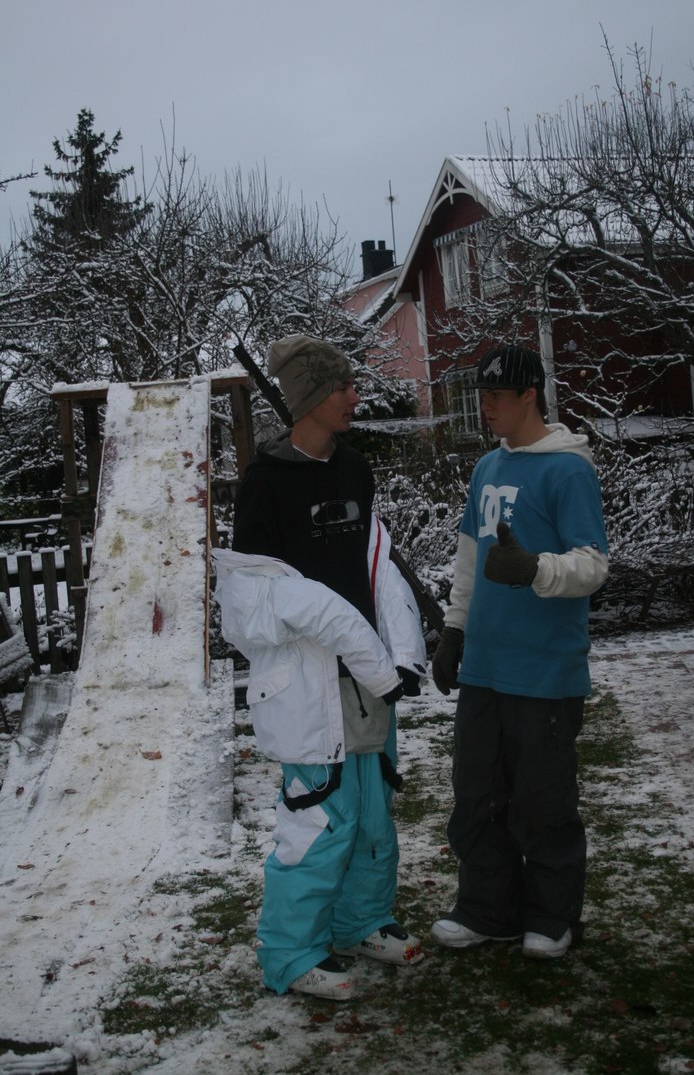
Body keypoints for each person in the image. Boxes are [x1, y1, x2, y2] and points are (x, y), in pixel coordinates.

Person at [213, 334, 427, 1001]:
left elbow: (375, 567)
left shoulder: (353, 470)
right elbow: (251, 605)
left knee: (372, 812)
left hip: (369, 681)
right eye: (344, 388)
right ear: (311, 399)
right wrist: (339, 634)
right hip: (309, 688)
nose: (356, 398)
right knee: (318, 821)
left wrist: (400, 653)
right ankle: (291, 954)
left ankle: (361, 920)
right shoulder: (265, 486)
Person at [430, 344, 608, 959]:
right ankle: (488, 909)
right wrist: (455, 629)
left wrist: (534, 568)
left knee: (543, 801)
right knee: (475, 794)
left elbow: (593, 565)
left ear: (529, 394)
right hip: (485, 665)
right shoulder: (486, 469)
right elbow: (469, 559)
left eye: (496, 397)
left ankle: (552, 917)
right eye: (481, 397)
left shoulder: (568, 471)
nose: (486, 409)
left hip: (545, 670)